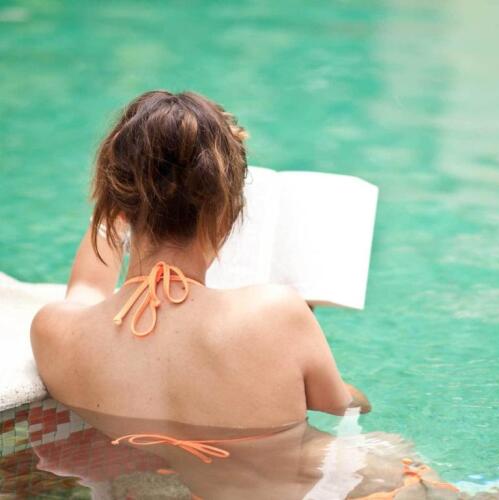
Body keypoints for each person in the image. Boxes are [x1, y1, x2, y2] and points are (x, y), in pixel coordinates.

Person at [30, 90, 371, 430]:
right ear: (225, 217)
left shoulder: (54, 330)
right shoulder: (278, 314)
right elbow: (347, 405)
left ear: (117, 207)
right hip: (284, 465)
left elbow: (87, 288)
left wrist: (115, 207)